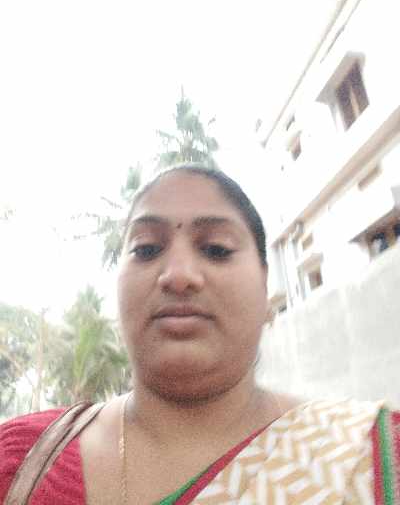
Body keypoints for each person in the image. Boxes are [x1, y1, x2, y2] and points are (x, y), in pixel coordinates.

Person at [1, 164, 399, 505]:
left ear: (265, 284)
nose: (178, 275)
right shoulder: (22, 459)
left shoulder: (371, 453)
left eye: (216, 249)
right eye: (146, 249)